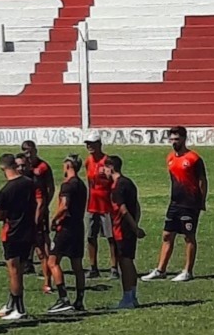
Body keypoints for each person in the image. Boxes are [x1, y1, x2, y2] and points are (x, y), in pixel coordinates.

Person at [142, 126, 208, 283]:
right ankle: (160, 270)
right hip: (174, 203)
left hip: (190, 203)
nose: (173, 142)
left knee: (188, 236)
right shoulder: (170, 158)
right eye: (171, 139)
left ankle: (187, 271)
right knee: (167, 235)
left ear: (184, 139)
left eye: (177, 139)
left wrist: (201, 201)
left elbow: (202, 181)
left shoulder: (194, 159)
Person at [0, 153, 36, 321]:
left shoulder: (6, 190)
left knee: (14, 271)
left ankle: (19, 307)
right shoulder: (29, 183)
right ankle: (12, 303)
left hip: (12, 232)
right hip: (28, 230)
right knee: (21, 268)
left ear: (2, 168)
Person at [47, 155, 88, 315]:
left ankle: (63, 298)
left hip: (65, 228)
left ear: (69, 165)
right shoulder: (82, 185)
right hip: (78, 227)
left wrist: (54, 219)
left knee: (53, 261)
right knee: (77, 265)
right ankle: (80, 299)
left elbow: (64, 206)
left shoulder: (67, 185)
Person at [107, 155, 144, 309]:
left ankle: (127, 297)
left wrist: (134, 227)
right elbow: (136, 206)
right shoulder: (129, 183)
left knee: (125, 261)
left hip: (121, 228)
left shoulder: (117, 187)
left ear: (111, 168)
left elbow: (123, 209)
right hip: (128, 227)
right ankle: (132, 296)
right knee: (129, 259)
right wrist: (136, 223)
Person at [22, 140, 55, 291]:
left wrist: (45, 206)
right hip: (26, 210)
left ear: (35, 150)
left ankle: (48, 278)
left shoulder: (43, 167)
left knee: (42, 244)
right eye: (24, 150)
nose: (27, 153)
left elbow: (50, 187)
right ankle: (28, 265)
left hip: (39, 210)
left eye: (29, 150)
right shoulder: (24, 167)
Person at [84, 131, 117, 279]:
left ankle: (114, 267)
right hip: (92, 203)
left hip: (107, 204)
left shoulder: (107, 161)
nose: (89, 147)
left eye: (92, 144)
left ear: (99, 144)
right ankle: (93, 267)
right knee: (91, 236)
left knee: (111, 237)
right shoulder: (88, 161)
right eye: (87, 144)